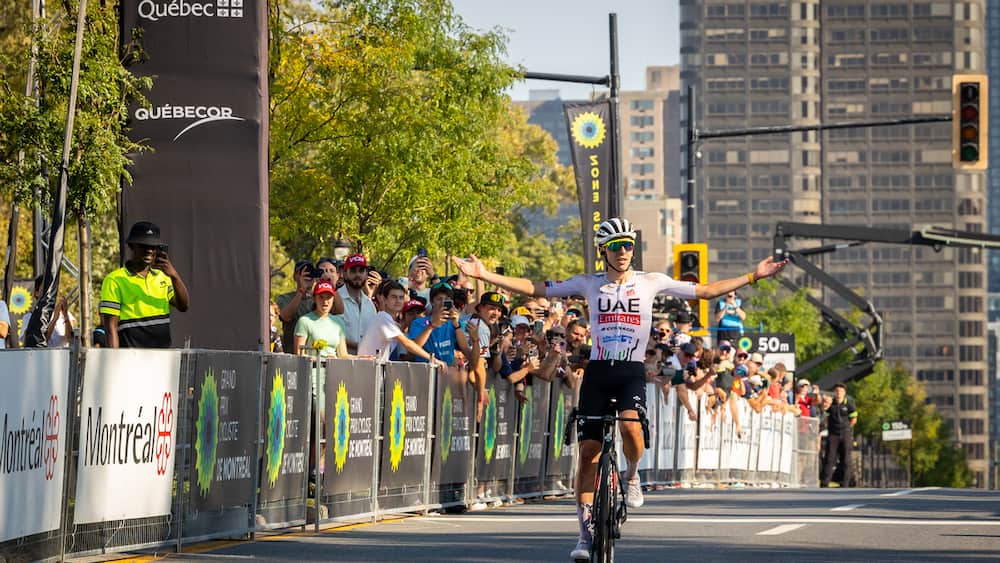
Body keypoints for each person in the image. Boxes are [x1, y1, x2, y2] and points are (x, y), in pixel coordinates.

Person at [451, 216, 787, 561]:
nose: (624, 251)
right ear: (604, 251)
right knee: (588, 455)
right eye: (616, 246)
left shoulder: (650, 281)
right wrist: (484, 274)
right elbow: (537, 288)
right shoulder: (588, 283)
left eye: (629, 245)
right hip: (598, 370)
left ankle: (631, 474)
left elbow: (704, 291)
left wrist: (752, 276)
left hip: (630, 370)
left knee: (630, 425)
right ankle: (584, 537)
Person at [99, 221, 190, 348]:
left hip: (163, 359)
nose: (149, 251)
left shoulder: (163, 276)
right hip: (132, 359)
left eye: (153, 247)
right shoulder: (114, 280)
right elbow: (110, 328)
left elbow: (183, 306)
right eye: (144, 246)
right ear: (132, 246)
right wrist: (115, 361)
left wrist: (174, 275)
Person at [358, 279, 447, 367]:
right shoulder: (383, 318)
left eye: (401, 297)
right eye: (393, 297)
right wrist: (433, 359)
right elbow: (407, 344)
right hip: (367, 369)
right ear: (384, 300)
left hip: (373, 369)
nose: (398, 301)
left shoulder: (391, 321)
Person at [293, 280, 348, 358]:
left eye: (329, 297)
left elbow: (343, 355)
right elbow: (299, 354)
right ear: (314, 298)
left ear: (333, 299)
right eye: (321, 297)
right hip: (312, 369)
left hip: (334, 369)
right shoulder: (304, 321)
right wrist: (323, 360)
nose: (325, 301)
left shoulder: (339, 322)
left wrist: (360, 358)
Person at [336, 254, 379, 355]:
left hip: (366, 362)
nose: (358, 275)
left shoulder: (370, 305)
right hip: (340, 361)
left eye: (361, 271)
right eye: (353, 271)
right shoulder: (335, 300)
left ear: (366, 274)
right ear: (345, 274)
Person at [19, 276, 76, 347]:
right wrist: (54, 319)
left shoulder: (66, 314)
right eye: (46, 289)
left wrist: (65, 316)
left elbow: (71, 340)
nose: (50, 292)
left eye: (53, 289)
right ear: (36, 293)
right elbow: (38, 342)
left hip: (63, 357)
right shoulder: (29, 317)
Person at [821, 382, 858, 488]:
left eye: (841, 391)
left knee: (846, 459)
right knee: (829, 458)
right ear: (834, 392)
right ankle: (824, 483)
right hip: (833, 434)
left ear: (844, 393)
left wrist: (847, 429)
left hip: (845, 434)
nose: (838, 393)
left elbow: (854, 419)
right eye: (837, 391)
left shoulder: (849, 404)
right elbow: (826, 417)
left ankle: (845, 483)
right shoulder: (831, 405)